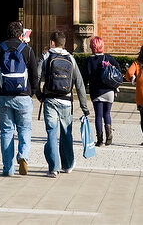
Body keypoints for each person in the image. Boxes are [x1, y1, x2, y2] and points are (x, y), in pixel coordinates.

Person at [0, 20, 38, 177]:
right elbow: (35, 75)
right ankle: (23, 156)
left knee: (6, 131)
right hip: (23, 96)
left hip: (3, 96)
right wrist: (33, 91)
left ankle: (8, 168)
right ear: (21, 34)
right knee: (25, 129)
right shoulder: (27, 50)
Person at [37, 30, 89, 177]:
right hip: (66, 101)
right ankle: (68, 164)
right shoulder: (71, 58)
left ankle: (54, 168)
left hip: (50, 100)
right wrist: (84, 107)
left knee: (51, 134)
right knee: (66, 133)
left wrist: (39, 94)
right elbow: (79, 84)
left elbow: (36, 76)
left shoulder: (46, 56)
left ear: (52, 43)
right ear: (63, 44)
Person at [84, 35, 121, 147]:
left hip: (97, 92)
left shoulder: (89, 61)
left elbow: (85, 78)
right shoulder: (108, 58)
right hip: (109, 91)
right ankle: (109, 133)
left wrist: (84, 90)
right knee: (107, 114)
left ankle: (100, 140)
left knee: (98, 116)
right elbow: (118, 70)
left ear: (92, 47)